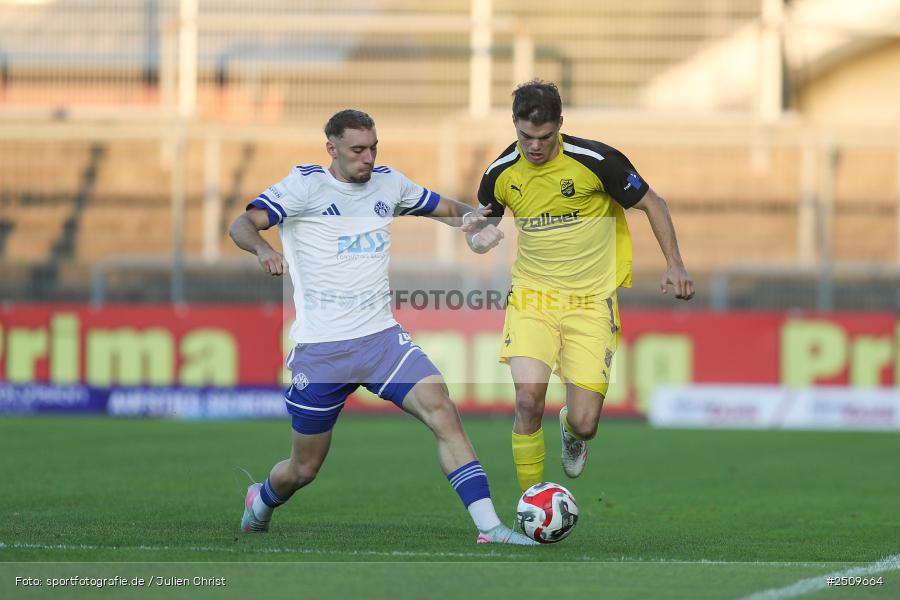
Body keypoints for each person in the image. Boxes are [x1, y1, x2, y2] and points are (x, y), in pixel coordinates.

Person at [228, 108, 534, 545]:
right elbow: (241, 223)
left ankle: (491, 528)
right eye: (357, 150)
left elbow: (445, 207)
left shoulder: (389, 183)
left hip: (381, 341)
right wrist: (261, 250)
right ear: (331, 148)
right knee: (304, 469)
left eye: (373, 148)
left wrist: (474, 223)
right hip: (322, 350)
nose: (367, 158)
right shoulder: (304, 186)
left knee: (442, 410)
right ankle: (261, 501)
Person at [469, 80, 694, 492]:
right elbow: (481, 227)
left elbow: (653, 203)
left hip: (591, 303)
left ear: (560, 125)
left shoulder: (597, 161)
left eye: (544, 137)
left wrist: (674, 264)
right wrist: (477, 238)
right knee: (526, 400)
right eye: (525, 136)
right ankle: (531, 506)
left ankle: (571, 432)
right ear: (514, 126)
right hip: (532, 298)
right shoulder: (500, 172)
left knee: (586, 422)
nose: (534, 146)